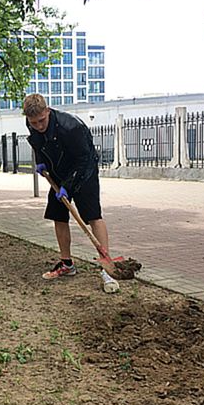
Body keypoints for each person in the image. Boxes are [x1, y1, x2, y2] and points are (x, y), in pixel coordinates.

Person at [23, 93, 119, 293]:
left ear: (47, 111)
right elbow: (37, 142)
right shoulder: (31, 122)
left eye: (42, 120)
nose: (39, 126)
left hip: (85, 172)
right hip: (58, 175)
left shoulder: (71, 127)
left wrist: (69, 185)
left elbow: (84, 159)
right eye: (34, 123)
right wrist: (41, 161)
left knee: (92, 216)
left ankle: (106, 266)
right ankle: (67, 264)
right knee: (58, 216)